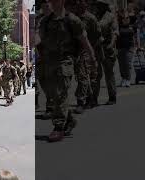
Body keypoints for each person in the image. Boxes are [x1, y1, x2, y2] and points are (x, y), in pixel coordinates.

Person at [37, 0, 96, 142]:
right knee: (53, 94)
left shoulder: (72, 20)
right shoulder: (46, 21)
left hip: (66, 61)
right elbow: (39, 40)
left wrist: (93, 59)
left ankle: (58, 127)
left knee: (61, 92)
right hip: (49, 61)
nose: (51, 2)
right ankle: (69, 120)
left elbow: (84, 40)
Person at [93, 0, 119, 105]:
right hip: (97, 48)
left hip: (107, 48)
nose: (98, 6)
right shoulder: (94, 16)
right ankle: (93, 98)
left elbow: (115, 32)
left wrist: (111, 44)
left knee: (109, 73)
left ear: (104, 6)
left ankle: (112, 96)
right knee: (96, 74)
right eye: (97, 4)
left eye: (100, 5)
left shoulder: (110, 16)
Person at [117, 12, 135, 87]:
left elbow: (134, 37)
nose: (125, 19)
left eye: (127, 18)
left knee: (127, 64)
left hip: (129, 48)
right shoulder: (119, 27)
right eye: (124, 18)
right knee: (121, 65)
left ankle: (128, 79)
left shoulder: (132, 27)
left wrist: (135, 47)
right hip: (120, 48)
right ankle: (123, 78)